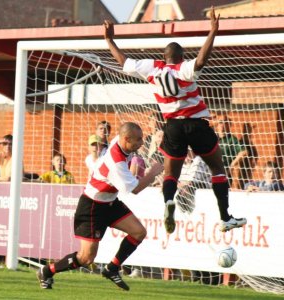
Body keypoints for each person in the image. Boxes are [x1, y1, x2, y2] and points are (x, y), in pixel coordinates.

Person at [104, 7, 246, 234]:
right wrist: (213, 31)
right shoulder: (184, 69)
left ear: (164, 58)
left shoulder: (152, 68)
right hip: (197, 124)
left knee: (171, 174)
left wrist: (109, 40)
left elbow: (124, 62)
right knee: (217, 168)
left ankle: (169, 202)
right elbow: (200, 60)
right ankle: (225, 217)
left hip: (173, 127)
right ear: (180, 58)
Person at [36, 123, 164, 291]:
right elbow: (136, 189)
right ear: (126, 139)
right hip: (92, 206)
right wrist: (154, 172)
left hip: (109, 202)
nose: (141, 142)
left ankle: (112, 269)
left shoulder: (120, 141)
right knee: (86, 258)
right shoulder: (116, 163)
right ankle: (47, 271)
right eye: (138, 139)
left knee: (139, 232)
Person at [215, 114, 242, 182]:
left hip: (225, 173)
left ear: (229, 125)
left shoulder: (232, 139)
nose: (222, 125)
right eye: (221, 122)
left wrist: (232, 165)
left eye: (225, 123)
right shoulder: (212, 138)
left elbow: (244, 152)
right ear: (217, 124)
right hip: (210, 172)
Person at [231, 123, 258, 190]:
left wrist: (254, 164)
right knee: (240, 184)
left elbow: (255, 155)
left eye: (249, 130)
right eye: (247, 129)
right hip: (241, 167)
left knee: (247, 183)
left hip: (249, 167)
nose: (248, 131)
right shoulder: (241, 142)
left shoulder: (250, 143)